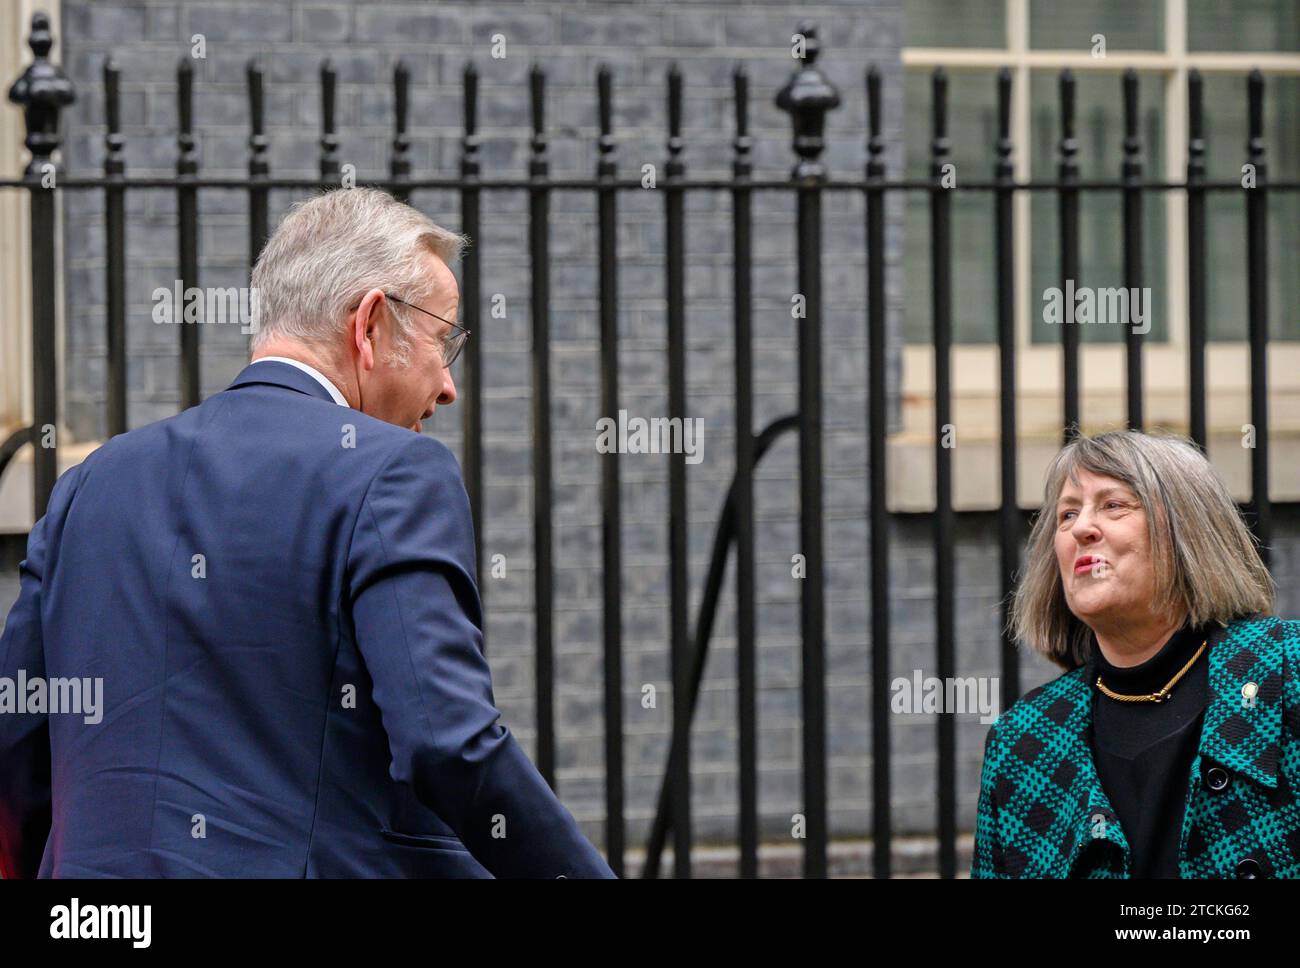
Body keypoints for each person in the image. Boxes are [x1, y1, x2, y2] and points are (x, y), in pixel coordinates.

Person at [0, 187, 614, 879]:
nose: (447, 386)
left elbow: (19, 743)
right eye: (444, 341)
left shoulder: (93, 483)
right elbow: (447, 743)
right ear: (371, 324)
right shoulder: (395, 472)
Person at [972, 429, 1299, 878]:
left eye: (1113, 505)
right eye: (1068, 514)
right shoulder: (1022, 740)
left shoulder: (1286, 668)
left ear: (1187, 528)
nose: (1081, 527)